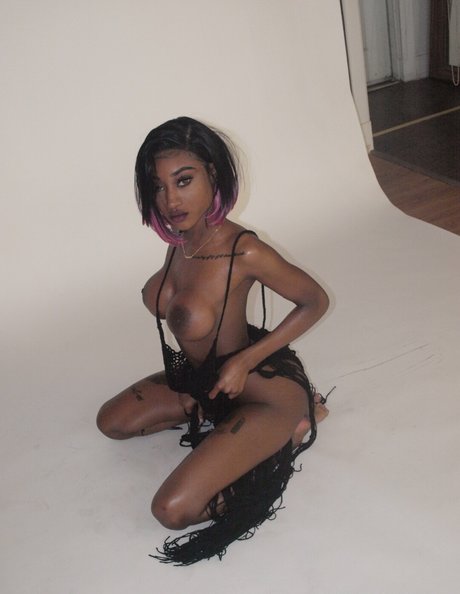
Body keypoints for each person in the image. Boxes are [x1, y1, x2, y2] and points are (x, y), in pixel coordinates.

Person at [96, 116, 330, 565]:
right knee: (112, 421)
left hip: (260, 393)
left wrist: (245, 361)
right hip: (206, 382)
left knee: (172, 510)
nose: (170, 200)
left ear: (213, 175)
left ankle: (292, 430)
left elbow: (314, 301)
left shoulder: (244, 250)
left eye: (184, 180)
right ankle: (211, 411)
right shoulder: (182, 241)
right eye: (159, 186)